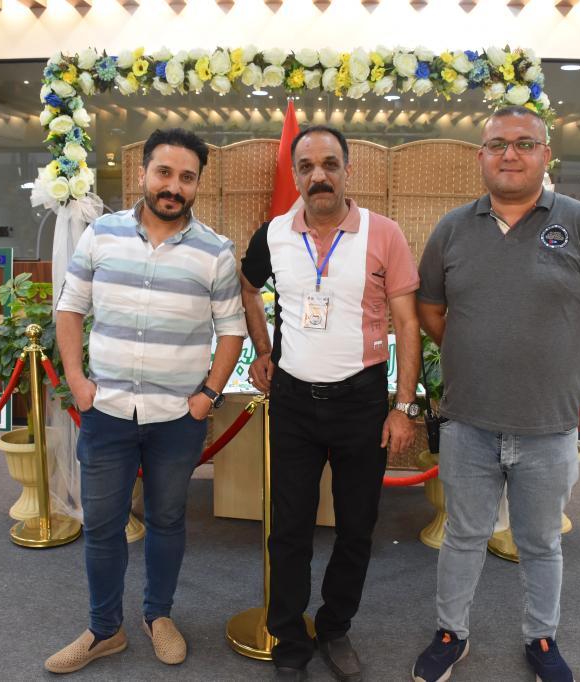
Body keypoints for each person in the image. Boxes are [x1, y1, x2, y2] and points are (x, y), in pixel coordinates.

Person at [411, 106, 580, 682]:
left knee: (540, 543)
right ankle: (450, 634)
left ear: (545, 155)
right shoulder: (452, 229)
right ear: (481, 156)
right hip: (469, 422)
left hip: (547, 427)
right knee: (463, 537)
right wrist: (473, 354)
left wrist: (563, 368)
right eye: (497, 144)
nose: (510, 154)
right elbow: (431, 312)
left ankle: (541, 638)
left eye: (524, 144)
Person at [46, 128, 246, 674]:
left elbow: (232, 330)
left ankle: (159, 616)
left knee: (167, 520)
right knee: (102, 525)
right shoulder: (101, 235)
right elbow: (70, 308)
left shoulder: (215, 251)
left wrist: (208, 395)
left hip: (177, 418)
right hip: (106, 411)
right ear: (143, 173)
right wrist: (77, 380)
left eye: (187, 177)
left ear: (197, 184)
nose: (173, 186)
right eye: (164, 172)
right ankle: (104, 629)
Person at [240, 125, 421, 682]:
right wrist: (263, 349)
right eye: (306, 166)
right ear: (295, 175)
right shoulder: (273, 234)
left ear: (348, 170)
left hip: (360, 401)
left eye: (329, 164)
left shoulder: (384, 233)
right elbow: (247, 287)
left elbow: (408, 323)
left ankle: (336, 626)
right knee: (288, 527)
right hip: (293, 401)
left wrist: (403, 406)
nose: (318, 175)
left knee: (357, 526)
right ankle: (289, 635)